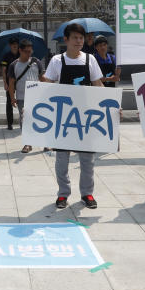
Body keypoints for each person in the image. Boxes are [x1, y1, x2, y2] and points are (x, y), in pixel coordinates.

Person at [41, 22, 105, 209]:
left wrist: (111, 107)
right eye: (75, 38)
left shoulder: (90, 60)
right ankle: (63, 194)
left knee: (87, 160)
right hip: (63, 117)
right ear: (66, 40)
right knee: (62, 159)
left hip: (85, 117)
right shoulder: (57, 61)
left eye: (81, 38)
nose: (79, 41)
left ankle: (87, 193)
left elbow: (98, 85)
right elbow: (48, 85)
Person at [6, 39, 44, 153]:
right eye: (26, 51)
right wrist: (12, 98)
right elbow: (11, 83)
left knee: (40, 120)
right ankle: (27, 143)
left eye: (30, 51)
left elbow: (42, 78)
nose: (29, 53)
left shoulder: (36, 62)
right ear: (20, 51)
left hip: (36, 96)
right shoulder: (14, 65)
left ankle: (45, 142)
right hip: (22, 97)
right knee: (24, 120)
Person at [0, 38, 20, 130]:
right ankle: (10, 123)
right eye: (13, 44)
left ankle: (23, 122)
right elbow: (3, 70)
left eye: (16, 44)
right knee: (9, 102)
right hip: (10, 81)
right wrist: (5, 83)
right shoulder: (6, 56)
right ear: (10, 45)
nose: (15, 45)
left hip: (20, 81)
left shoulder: (22, 55)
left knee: (22, 102)